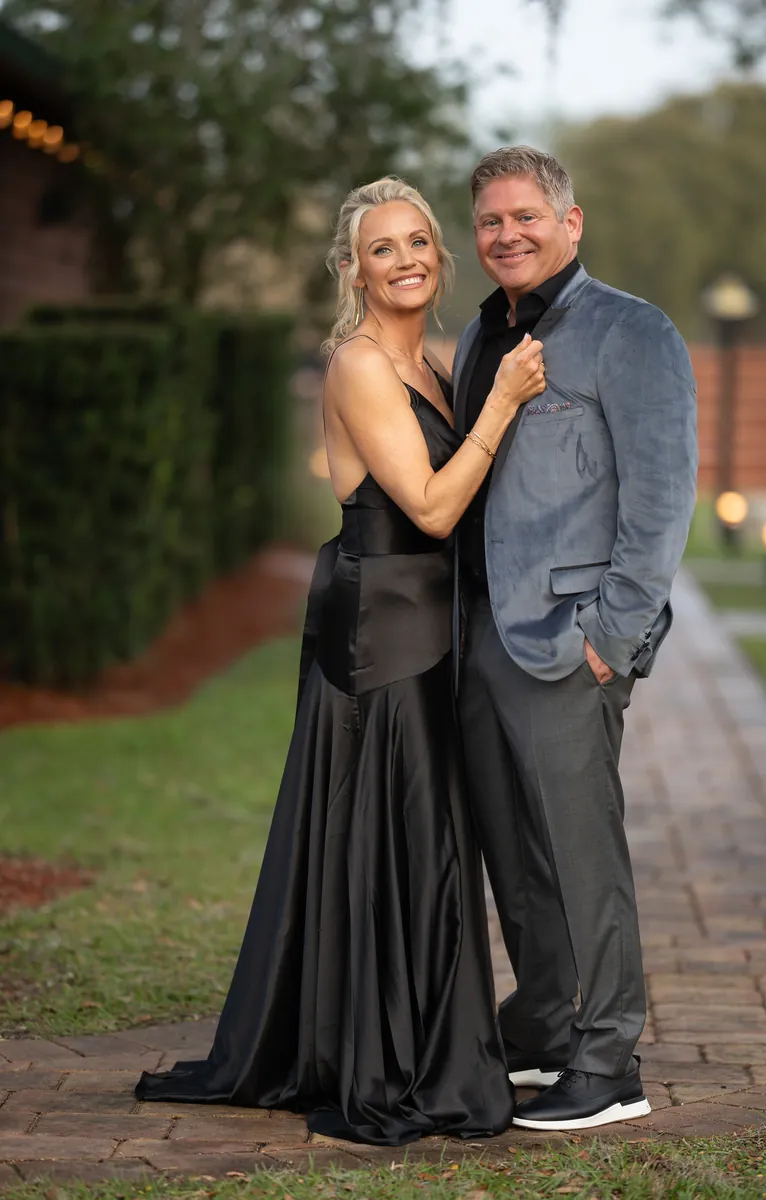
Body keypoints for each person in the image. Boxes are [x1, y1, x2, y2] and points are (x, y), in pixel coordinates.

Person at [135, 177, 546, 1146]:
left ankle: (417, 1036)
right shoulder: (359, 367)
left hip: (427, 627)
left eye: (417, 242)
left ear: (437, 258)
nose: (403, 259)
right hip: (382, 635)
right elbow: (433, 509)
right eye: (380, 248)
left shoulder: (436, 363)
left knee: (429, 839)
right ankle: (387, 1052)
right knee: (400, 835)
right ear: (350, 270)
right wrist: (505, 405)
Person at [453, 147, 698, 1132]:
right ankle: (547, 1025)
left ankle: (609, 1059)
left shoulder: (630, 331)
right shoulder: (480, 337)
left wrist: (613, 635)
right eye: (488, 222)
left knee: (581, 853)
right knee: (515, 855)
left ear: (570, 221)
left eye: (524, 217)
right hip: (478, 641)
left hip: (568, 643)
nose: (505, 235)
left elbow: (659, 496)